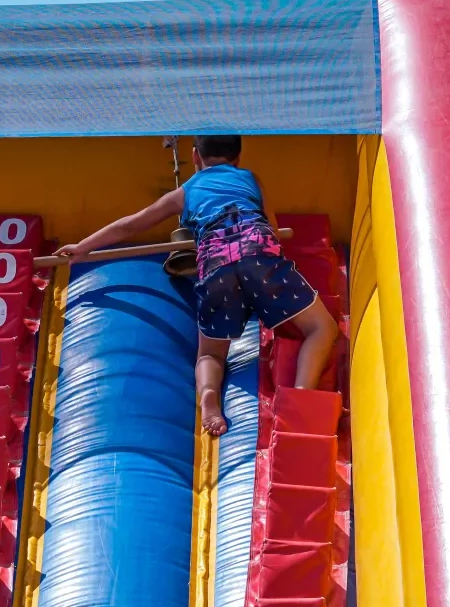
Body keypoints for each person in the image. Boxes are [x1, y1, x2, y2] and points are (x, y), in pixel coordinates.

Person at [55, 134, 338, 437]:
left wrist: (84, 246)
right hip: (257, 253)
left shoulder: (185, 192)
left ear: (194, 157)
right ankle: (300, 396)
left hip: (216, 264)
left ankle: (209, 398)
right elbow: (271, 228)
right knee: (322, 329)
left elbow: (132, 224)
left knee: (211, 355)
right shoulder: (249, 178)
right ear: (238, 158)